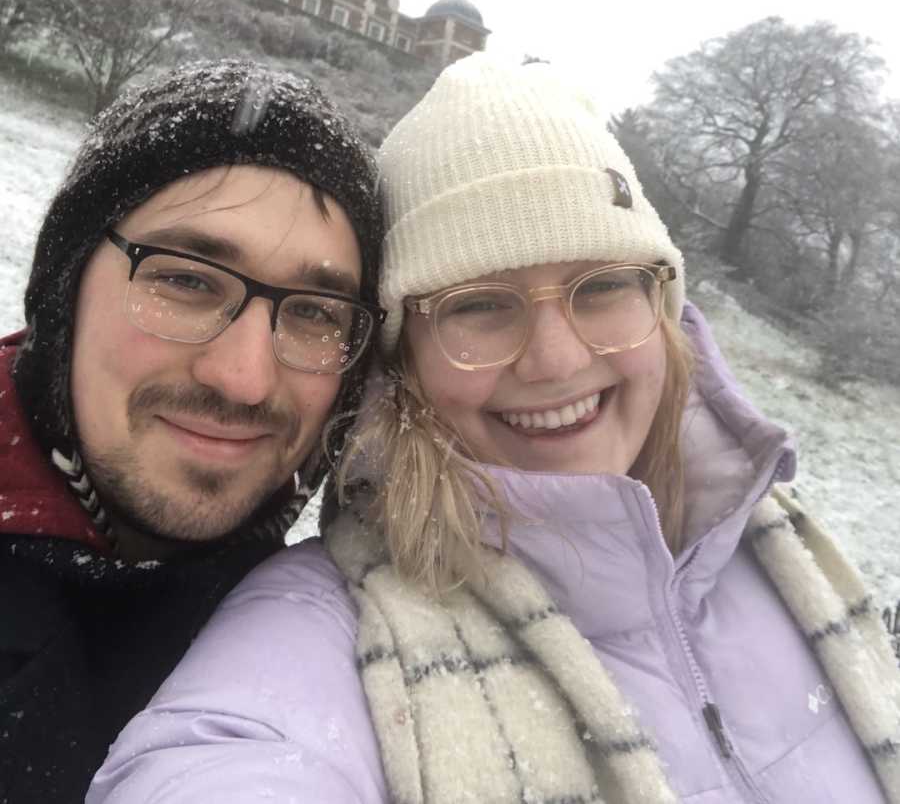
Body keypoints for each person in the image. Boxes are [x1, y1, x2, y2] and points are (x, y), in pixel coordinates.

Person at [90, 55, 900, 803]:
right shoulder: (328, 629)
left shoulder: (780, 546)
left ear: (664, 308)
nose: (554, 360)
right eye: (477, 305)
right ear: (400, 364)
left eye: (604, 284)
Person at [0, 58, 385, 804]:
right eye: (184, 279)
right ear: (64, 288)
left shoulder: (339, 643)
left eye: (313, 312)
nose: (242, 378)